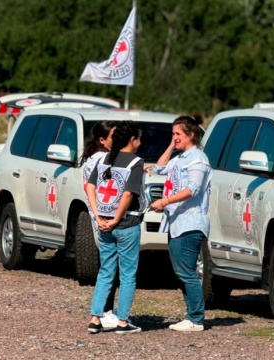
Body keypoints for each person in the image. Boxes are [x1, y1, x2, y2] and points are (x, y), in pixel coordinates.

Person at [147, 115, 212, 332]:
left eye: (178, 134)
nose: (174, 138)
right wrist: (171, 145)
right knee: (180, 271)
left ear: (191, 135)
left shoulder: (198, 159)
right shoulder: (180, 158)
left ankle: (196, 318)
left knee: (187, 271)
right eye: (172, 134)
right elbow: (158, 168)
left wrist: (164, 201)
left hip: (190, 222)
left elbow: (192, 189)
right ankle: (191, 315)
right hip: (176, 222)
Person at [86, 120, 145, 335]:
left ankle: (95, 318)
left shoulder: (104, 159)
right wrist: (117, 219)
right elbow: (128, 194)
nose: (140, 142)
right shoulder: (136, 162)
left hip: (104, 222)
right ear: (132, 140)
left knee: (105, 271)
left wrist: (98, 215)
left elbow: (90, 187)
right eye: (138, 138)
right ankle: (122, 321)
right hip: (126, 224)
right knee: (128, 274)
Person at [79, 120, 119, 329]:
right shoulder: (104, 160)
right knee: (110, 266)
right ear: (103, 140)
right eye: (114, 136)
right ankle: (105, 312)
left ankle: (104, 311)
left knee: (108, 265)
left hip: (98, 216)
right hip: (106, 218)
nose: (119, 139)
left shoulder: (91, 160)